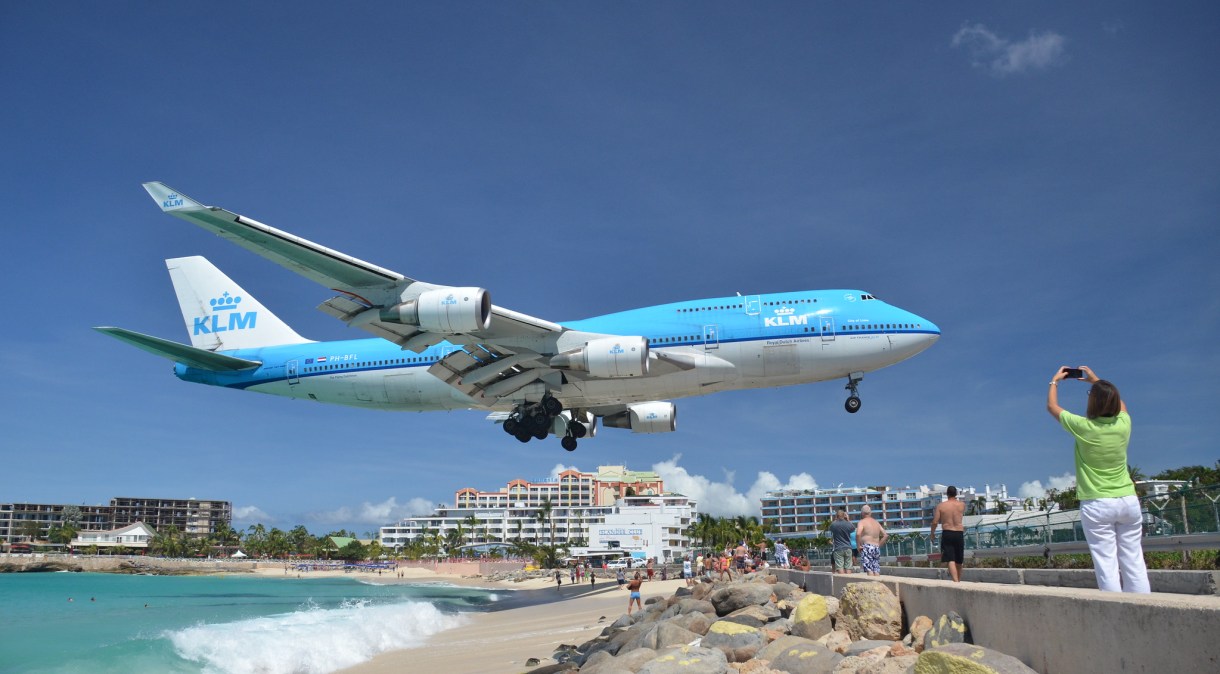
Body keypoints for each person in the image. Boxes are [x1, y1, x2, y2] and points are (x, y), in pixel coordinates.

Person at [1048, 365, 1150, 593]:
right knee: (1134, 560)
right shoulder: (1124, 424)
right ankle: (1145, 607)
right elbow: (1120, 404)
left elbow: (1052, 407)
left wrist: (1054, 381)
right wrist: (1097, 382)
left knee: (1107, 564)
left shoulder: (1084, 427)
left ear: (1092, 403)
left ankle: (1115, 615)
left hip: (1097, 503)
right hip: (1127, 500)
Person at [931, 486, 966, 582]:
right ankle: (958, 580)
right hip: (959, 532)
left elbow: (935, 522)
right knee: (959, 559)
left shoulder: (941, 506)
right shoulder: (962, 505)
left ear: (947, 494)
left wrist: (932, 533)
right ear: (956, 494)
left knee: (950, 558)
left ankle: (956, 581)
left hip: (947, 532)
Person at [855, 505, 888, 576]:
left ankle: (871, 585)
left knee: (869, 570)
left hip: (867, 547)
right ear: (870, 513)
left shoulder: (862, 522)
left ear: (862, 513)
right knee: (876, 569)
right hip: (876, 547)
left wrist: (858, 546)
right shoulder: (876, 522)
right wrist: (879, 545)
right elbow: (885, 535)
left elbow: (858, 534)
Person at [828, 509, 855, 574]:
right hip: (848, 547)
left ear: (836, 516)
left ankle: (842, 580)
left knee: (840, 567)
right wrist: (848, 519)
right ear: (844, 515)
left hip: (838, 548)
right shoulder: (848, 524)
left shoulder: (833, 525)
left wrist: (835, 519)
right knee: (848, 566)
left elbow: (830, 528)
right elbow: (853, 528)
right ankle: (848, 580)